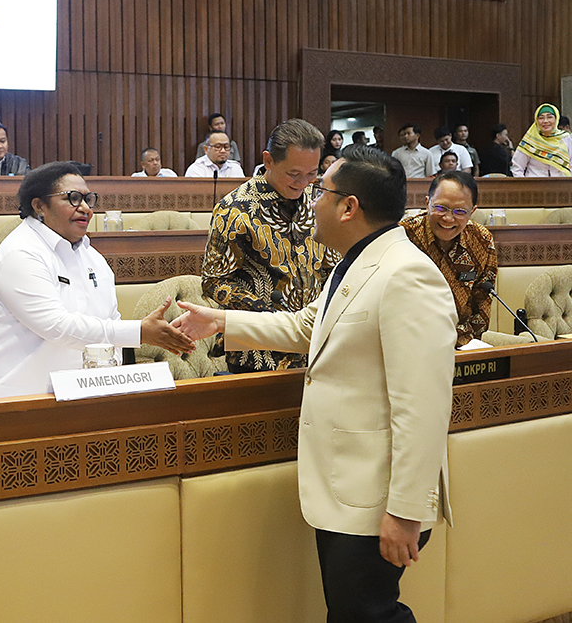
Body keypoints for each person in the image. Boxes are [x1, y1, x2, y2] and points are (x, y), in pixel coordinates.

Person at [175, 144, 455, 623]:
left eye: (321, 191)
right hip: (350, 488)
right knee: (353, 612)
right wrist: (222, 321)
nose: (311, 201)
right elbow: (309, 328)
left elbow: (424, 406)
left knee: (368, 614)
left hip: (377, 496)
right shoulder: (357, 260)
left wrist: (406, 511)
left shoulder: (406, 274)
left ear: (350, 207)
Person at [0, 161, 194, 400]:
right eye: (73, 198)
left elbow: (110, 324)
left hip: (72, 400)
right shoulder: (20, 252)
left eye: (88, 199)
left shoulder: (93, 257)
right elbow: (57, 326)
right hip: (1, 400)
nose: (85, 208)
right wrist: (139, 332)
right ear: (39, 206)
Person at [202, 118, 339, 373]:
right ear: (268, 161)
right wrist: (268, 315)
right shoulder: (234, 208)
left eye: (312, 174)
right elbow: (214, 281)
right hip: (257, 347)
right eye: (294, 174)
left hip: (316, 341)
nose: (304, 183)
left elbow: (331, 265)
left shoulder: (318, 200)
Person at [402, 171, 496, 347]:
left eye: (460, 211)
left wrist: (473, 345)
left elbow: (482, 301)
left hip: (460, 343)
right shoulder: (404, 236)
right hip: (410, 342)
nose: (448, 218)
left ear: (472, 211)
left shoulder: (481, 240)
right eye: (440, 208)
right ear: (427, 203)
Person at [512, 103, 572, 177]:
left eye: (550, 117)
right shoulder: (530, 140)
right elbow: (517, 167)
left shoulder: (565, 138)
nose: (545, 121)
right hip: (534, 185)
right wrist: (524, 186)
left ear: (556, 119)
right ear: (536, 121)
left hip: (561, 185)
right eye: (541, 118)